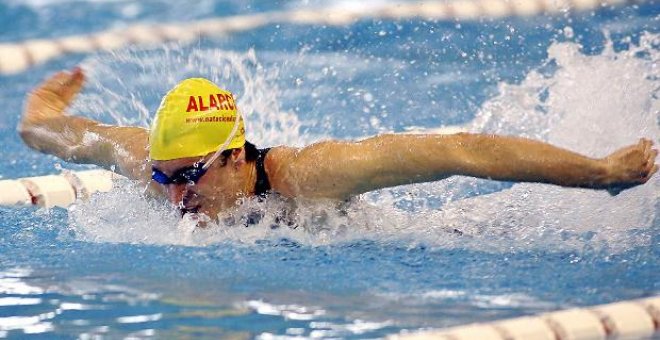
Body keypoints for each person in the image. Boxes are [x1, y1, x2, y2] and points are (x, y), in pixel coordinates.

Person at [19, 68, 658, 220]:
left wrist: (597, 171)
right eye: (164, 177)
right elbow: (60, 136)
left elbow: (461, 152)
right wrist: (43, 108)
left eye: (191, 176)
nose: (176, 194)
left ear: (236, 156)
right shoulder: (155, 170)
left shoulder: (313, 175)